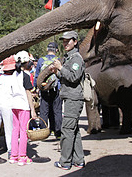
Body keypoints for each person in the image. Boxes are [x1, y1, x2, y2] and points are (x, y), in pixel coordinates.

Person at [50, 31, 86, 170]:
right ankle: (79, 160)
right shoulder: (69, 58)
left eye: (68, 41)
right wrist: (57, 72)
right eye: (64, 41)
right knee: (74, 129)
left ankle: (65, 162)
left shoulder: (76, 58)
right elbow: (66, 77)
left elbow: (73, 77)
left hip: (74, 98)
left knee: (67, 130)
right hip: (70, 97)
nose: (65, 43)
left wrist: (60, 68)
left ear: (75, 41)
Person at [8, 51, 37, 166]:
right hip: (23, 106)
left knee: (15, 130)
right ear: (27, 63)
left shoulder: (13, 75)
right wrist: (33, 110)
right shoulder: (26, 75)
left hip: (14, 105)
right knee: (23, 131)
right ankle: (23, 156)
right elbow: (28, 93)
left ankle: (13, 156)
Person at [34, 42, 62, 139]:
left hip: (44, 89)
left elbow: (37, 76)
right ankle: (58, 132)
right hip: (55, 89)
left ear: (47, 49)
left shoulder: (41, 60)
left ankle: (43, 133)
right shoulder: (58, 60)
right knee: (57, 111)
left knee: (44, 111)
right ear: (56, 50)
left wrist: (35, 88)